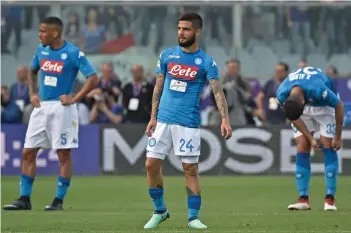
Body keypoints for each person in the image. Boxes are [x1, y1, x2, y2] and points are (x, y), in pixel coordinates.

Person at [144, 13, 232, 230]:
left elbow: (217, 92)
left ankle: (193, 218)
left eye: (186, 29)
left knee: (190, 169)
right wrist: (153, 117)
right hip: (163, 120)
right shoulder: (167, 56)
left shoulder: (206, 62)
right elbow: (158, 87)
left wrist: (225, 119)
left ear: (197, 31)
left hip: (187, 122)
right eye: (179, 28)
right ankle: (160, 211)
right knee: (150, 165)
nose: (181, 33)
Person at [3, 16, 99, 211]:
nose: (39, 35)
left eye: (43, 32)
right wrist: (32, 93)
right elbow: (32, 70)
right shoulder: (41, 50)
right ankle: (24, 199)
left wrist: (75, 97)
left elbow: (93, 78)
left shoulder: (72, 53)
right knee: (28, 151)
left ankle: (58, 201)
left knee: (63, 154)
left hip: (62, 108)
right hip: (41, 107)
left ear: (54, 33)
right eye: (38, 31)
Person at [276, 66, 344, 211]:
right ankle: (303, 199)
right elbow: (293, 117)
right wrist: (310, 138)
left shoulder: (319, 89)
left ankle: (330, 199)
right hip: (303, 105)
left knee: (328, 144)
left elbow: (339, 106)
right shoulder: (282, 94)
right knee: (302, 145)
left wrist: (338, 136)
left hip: (325, 106)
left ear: (303, 101)